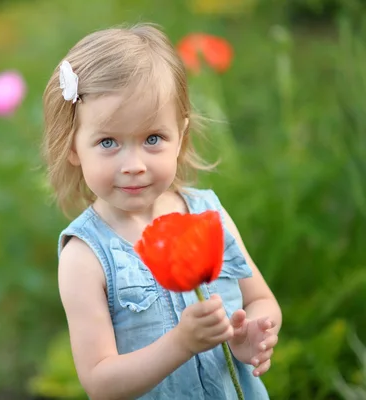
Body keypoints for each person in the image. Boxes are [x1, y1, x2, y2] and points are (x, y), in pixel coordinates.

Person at [41, 23, 282, 400]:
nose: (134, 164)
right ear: (72, 148)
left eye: (153, 138)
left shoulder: (208, 216)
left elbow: (260, 299)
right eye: (108, 142)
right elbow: (100, 383)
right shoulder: (85, 257)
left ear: (181, 134)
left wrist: (250, 333)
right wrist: (181, 344)